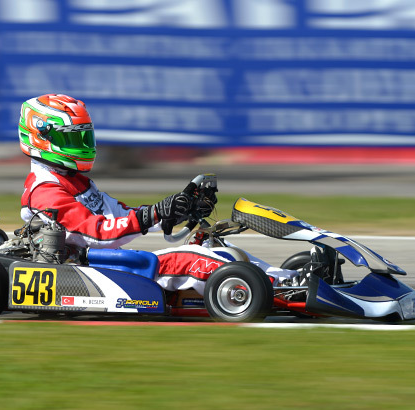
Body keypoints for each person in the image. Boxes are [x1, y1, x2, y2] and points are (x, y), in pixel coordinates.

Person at [18, 94, 302, 294]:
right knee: (189, 258)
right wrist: (154, 213)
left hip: (109, 262)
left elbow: (120, 217)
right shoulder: (46, 192)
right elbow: (98, 233)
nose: (82, 144)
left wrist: (173, 211)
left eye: (83, 136)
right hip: (87, 271)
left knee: (214, 248)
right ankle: (282, 287)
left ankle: (289, 277)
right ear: (42, 138)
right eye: (72, 137)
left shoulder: (75, 182)